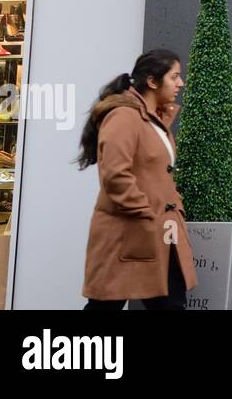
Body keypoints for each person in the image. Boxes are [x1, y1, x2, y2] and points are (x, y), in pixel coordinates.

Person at [78, 48, 197, 311]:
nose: (181, 83)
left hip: (160, 233)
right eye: (175, 76)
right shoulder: (124, 116)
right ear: (152, 82)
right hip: (131, 233)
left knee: (170, 302)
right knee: (104, 306)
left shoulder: (152, 119)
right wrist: (147, 214)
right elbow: (115, 175)